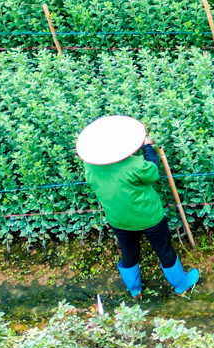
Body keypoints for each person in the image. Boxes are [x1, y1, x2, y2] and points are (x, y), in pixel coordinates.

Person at [75, 115, 200, 298]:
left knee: (129, 252)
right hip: (148, 216)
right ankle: (181, 285)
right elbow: (152, 172)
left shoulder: (90, 166)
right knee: (164, 249)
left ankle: (135, 290)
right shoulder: (134, 164)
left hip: (118, 219)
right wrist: (147, 147)